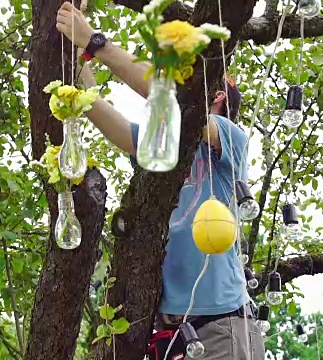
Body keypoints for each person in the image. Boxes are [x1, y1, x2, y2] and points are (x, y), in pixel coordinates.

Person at [56, 2, 266, 360]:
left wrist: (96, 42)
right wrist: (76, 48)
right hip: (176, 335)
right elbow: (95, 109)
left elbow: (174, 100)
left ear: (216, 97)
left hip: (221, 327)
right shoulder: (161, 146)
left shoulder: (230, 138)